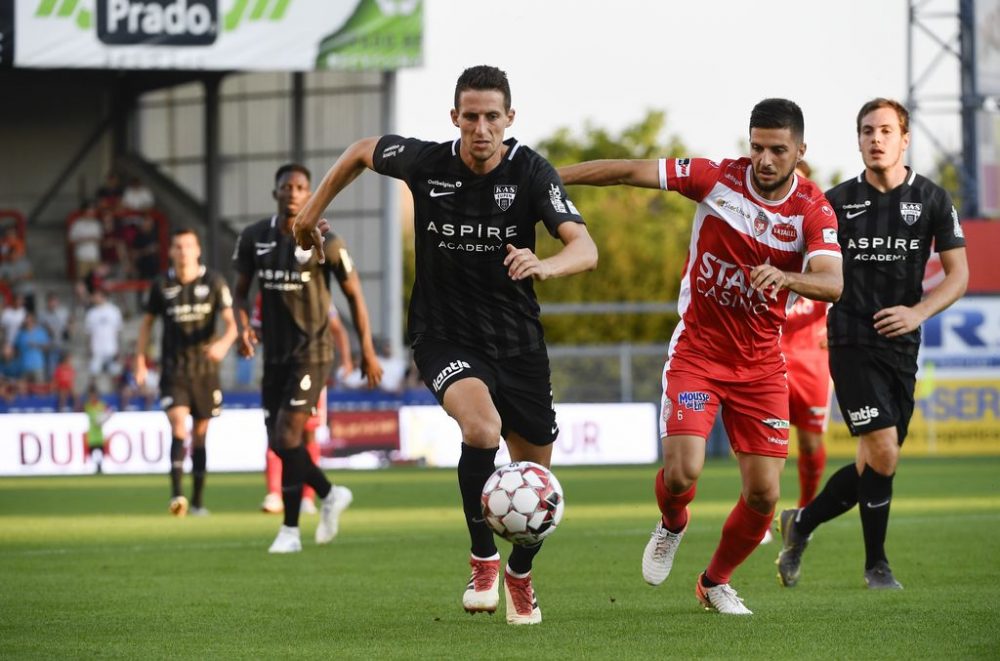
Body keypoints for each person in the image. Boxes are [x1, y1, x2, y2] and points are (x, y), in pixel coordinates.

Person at [292, 65, 598, 625]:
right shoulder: (428, 163)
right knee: (480, 428)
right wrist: (312, 209)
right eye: (471, 116)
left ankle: (520, 573)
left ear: (510, 120)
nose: (481, 128)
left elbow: (585, 248)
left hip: (519, 343)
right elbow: (363, 149)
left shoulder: (530, 172)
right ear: (454, 118)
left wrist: (546, 265)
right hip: (443, 335)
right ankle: (483, 557)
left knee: (539, 484)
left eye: (492, 117)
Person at [558, 98, 842, 615]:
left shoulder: (812, 211)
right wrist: (547, 178)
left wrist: (789, 277)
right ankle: (672, 523)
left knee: (763, 494)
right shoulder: (715, 179)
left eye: (778, 149)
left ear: (801, 151)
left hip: (760, 365)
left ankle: (715, 582)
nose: (765, 159)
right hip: (699, 352)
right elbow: (624, 171)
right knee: (683, 473)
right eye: (757, 146)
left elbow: (833, 281)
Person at [775, 98, 969, 591]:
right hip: (849, 339)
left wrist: (917, 312)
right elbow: (801, 260)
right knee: (883, 451)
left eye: (885, 130)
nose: (875, 139)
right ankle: (876, 566)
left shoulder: (931, 199)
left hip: (903, 347)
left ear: (904, 139)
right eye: (866, 131)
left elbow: (958, 275)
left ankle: (802, 523)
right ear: (858, 139)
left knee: (875, 462)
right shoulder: (834, 202)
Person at [233, 163, 384, 553]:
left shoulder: (327, 241)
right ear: (276, 193)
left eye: (301, 186)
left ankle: (289, 531)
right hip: (275, 357)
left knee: (288, 436)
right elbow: (239, 294)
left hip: (314, 354)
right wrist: (242, 328)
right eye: (287, 186)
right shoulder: (253, 238)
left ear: (311, 193)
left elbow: (354, 296)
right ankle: (330, 493)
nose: (294, 192)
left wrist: (366, 348)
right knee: (279, 442)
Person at [135, 229, 238, 517]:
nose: (183, 251)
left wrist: (223, 344)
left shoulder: (214, 282)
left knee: (201, 434)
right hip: (174, 370)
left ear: (197, 250)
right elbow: (146, 325)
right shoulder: (161, 285)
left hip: (206, 371)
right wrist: (140, 361)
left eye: (188, 246)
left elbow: (231, 324)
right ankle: (177, 496)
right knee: (179, 426)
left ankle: (199, 502)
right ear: (171, 251)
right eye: (178, 246)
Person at [260, 300, 354, 515]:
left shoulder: (316, 292)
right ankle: (275, 494)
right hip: (277, 371)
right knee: (277, 436)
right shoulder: (267, 288)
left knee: (307, 434)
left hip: (309, 371)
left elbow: (337, 328)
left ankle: (308, 498)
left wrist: (347, 360)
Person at [83, 289, 123, 390]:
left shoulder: (114, 311)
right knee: (93, 373)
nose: (94, 298)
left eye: (96, 296)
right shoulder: (91, 313)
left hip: (111, 348)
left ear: (103, 296)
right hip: (96, 349)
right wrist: (89, 349)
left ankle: (116, 398)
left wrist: (119, 349)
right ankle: (93, 399)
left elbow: (118, 331)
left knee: (115, 374)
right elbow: (89, 334)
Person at [83, 383, 111, 473]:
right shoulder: (88, 406)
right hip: (92, 435)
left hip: (99, 435)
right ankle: (95, 468)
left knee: (100, 452)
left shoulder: (102, 405)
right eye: (91, 395)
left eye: (94, 395)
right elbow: (96, 422)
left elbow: (109, 412)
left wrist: (107, 416)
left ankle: (99, 468)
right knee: (93, 453)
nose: (93, 397)